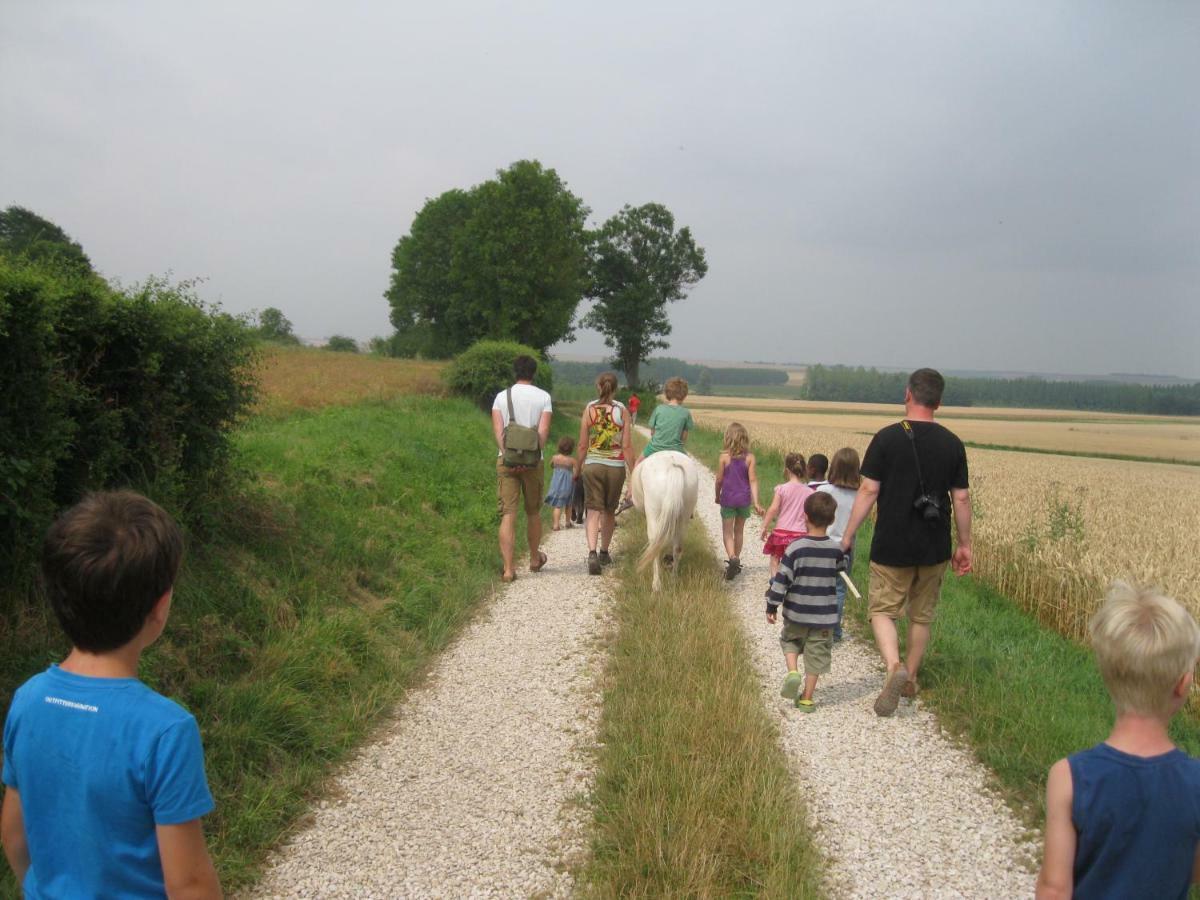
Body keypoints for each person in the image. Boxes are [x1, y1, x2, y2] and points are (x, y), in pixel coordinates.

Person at [1, 492, 221, 898]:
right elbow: (189, 884)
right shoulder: (165, 731)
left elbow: (13, 834)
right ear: (160, 607)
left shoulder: (28, 700)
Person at [1036, 582, 1200, 900]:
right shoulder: (1196, 783)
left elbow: (1054, 889)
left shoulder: (1069, 777)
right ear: (1183, 684)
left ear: (1109, 674)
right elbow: (1191, 869)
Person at [839, 368, 971, 717]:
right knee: (921, 616)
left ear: (907, 395)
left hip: (892, 543)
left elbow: (868, 490)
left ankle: (893, 664)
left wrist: (848, 535)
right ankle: (910, 678)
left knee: (882, 610)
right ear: (939, 402)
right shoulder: (952, 444)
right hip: (935, 545)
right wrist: (965, 544)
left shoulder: (885, 439)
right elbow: (961, 499)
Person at [765, 492, 844, 712]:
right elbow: (841, 568)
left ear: (805, 517)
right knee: (816, 655)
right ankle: (808, 698)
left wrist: (772, 605)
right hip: (824, 617)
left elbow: (782, 580)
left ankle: (792, 672)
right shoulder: (835, 549)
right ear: (832, 520)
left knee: (790, 641)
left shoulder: (795, 548)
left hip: (797, 613)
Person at [491, 355, 553, 583]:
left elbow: (498, 432)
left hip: (506, 461)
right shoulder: (544, 397)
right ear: (533, 373)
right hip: (534, 462)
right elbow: (543, 434)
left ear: (514, 372)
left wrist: (510, 456)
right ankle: (535, 559)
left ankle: (508, 569)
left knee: (508, 514)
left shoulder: (500, 397)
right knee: (533, 512)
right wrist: (528, 458)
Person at [575, 372, 632, 575]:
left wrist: (577, 468)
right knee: (608, 510)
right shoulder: (622, 410)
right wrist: (633, 473)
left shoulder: (590, 409)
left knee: (592, 510)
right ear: (616, 388)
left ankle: (591, 552)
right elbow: (626, 446)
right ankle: (604, 552)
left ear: (599, 387)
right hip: (615, 467)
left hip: (593, 465)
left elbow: (582, 444)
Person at [619, 377, 693, 511]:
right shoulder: (686, 413)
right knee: (690, 470)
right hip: (677, 448)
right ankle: (690, 505)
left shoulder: (659, 409)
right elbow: (684, 437)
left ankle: (629, 495)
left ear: (667, 393)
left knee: (637, 464)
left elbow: (652, 432)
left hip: (655, 447)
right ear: (684, 395)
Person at [819, 447, 862, 641]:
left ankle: (816, 626)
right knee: (839, 588)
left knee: (818, 585)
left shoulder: (823, 491)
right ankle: (833, 631)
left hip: (821, 544)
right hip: (845, 549)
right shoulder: (860, 497)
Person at [715, 422, 764, 580]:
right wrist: (756, 502)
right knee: (739, 531)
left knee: (727, 532)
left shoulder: (724, 458)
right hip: (744, 500)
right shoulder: (750, 458)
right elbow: (753, 480)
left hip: (728, 499)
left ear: (728, 438)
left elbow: (719, 480)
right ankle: (736, 561)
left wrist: (717, 495)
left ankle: (732, 558)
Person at [759, 452, 814, 579]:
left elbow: (773, 509)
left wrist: (764, 526)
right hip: (800, 535)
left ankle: (775, 584)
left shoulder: (781, 489)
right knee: (796, 563)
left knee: (775, 560)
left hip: (781, 533)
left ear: (787, 470)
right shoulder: (810, 492)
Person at [544, 436, 577, 531]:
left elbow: (551, 465)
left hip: (556, 485)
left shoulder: (555, 458)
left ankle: (556, 525)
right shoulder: (572, 460)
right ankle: (567, 522)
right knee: (569, 505)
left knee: (557, 506)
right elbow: (576, 473)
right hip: (568, 486)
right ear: (571, 448)